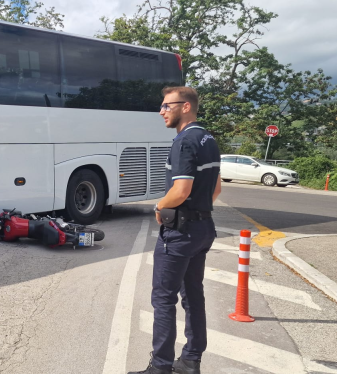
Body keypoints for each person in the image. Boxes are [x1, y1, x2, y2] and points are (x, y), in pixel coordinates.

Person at [129, 86, 222, 374]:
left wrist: (160, 207)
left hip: (180, 233)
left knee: (163, 299)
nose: (161, 111)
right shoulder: (209, 139)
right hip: (203, 227)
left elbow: (180, 190)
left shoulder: (184, 141)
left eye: (167, 106)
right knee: (194, 295)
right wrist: (198, 210)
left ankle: (160, 367)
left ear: (185, 107)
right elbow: (216, 187)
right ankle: (191, 360)